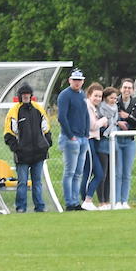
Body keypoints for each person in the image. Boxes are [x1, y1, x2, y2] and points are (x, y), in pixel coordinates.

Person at [3, 84, 52, 213]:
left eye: (28, 94)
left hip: (38, 153)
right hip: (22, 154)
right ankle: (21, 207)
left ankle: (40, 207)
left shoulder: (38, 109)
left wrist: (46, 144)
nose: (26, 96)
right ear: (20, 96)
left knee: (37, 182)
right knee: (22, 182)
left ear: (31, 95)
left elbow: (46, 128)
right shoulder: (14, 111)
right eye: (23, 94)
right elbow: (8, 133)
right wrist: (16, 148)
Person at [56, 68, 90, 211]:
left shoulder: (82, 94)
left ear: (83, 81)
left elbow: (85, 114)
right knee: (70, 172)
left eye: (79, 80)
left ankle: (76, 202)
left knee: (78, 173)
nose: (77, 82)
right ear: (70, 80)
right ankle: (69, 202)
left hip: (83, 138)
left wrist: (86, 133)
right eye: (75, 80)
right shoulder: (65, 95)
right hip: (71, 138)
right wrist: (70, 135)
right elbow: (62, 117)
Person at [112, 78, 136, 209]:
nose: (127, 90)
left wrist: (128, 117)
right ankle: (116, 201)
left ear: (133, 90)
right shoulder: (115, 101)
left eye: (129, 88)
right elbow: (107, 117)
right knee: (117, 172)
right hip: (116, 140)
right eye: (125, 87)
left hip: (130, 141)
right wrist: (118, 122)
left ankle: (124, 201)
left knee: (127, 173)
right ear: (121, 89)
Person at [82, 83, 110, 210]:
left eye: (100, 96)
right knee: (98, 173)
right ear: (89, 95)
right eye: (96, 96)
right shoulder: (88, 106)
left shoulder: (93, 107)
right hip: (89, 141)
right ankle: (87, 200)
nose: (98, 98)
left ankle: (86, 200)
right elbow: (92, 126)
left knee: (89, 172)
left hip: (93, 141)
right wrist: (104, 120)